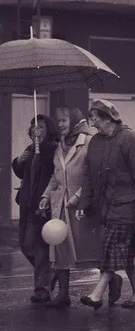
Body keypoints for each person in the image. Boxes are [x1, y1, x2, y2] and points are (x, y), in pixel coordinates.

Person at [78, 99, 135, 310]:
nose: (93, 125)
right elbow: (89, 175)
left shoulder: (129, 139)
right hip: (106, 206)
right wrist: (85, 202)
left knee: (110, 249)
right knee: (124, 252)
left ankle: (97, 294)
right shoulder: (96, 142)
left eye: (96, 119)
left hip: (125, 206)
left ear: (108, 118)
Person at [39, 108, 102, 308]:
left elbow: (94, 174)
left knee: (89, 249)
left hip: (82, 206)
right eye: (58, 121)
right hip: (61, 206)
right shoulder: (59, 146)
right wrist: (46, 195)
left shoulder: (88, 143)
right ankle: (63, 295)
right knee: (60, 251)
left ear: (74, 121)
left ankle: (112, 280)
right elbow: (56, 176)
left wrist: (78, 196)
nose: (60, 125)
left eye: (64, 120)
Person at [12, 114, 59, 303]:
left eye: (40, 127)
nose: (35, 130)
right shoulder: (30, 149)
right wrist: (19, 161)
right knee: (25, 245)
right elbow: (21, 172)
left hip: (42, 205)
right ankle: (50, 273)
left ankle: (42, 289)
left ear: (48, 130)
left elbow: (55, 174)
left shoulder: (53, 150)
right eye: (33, 127)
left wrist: (47, 197)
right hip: (27, 205)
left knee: (39, 247)